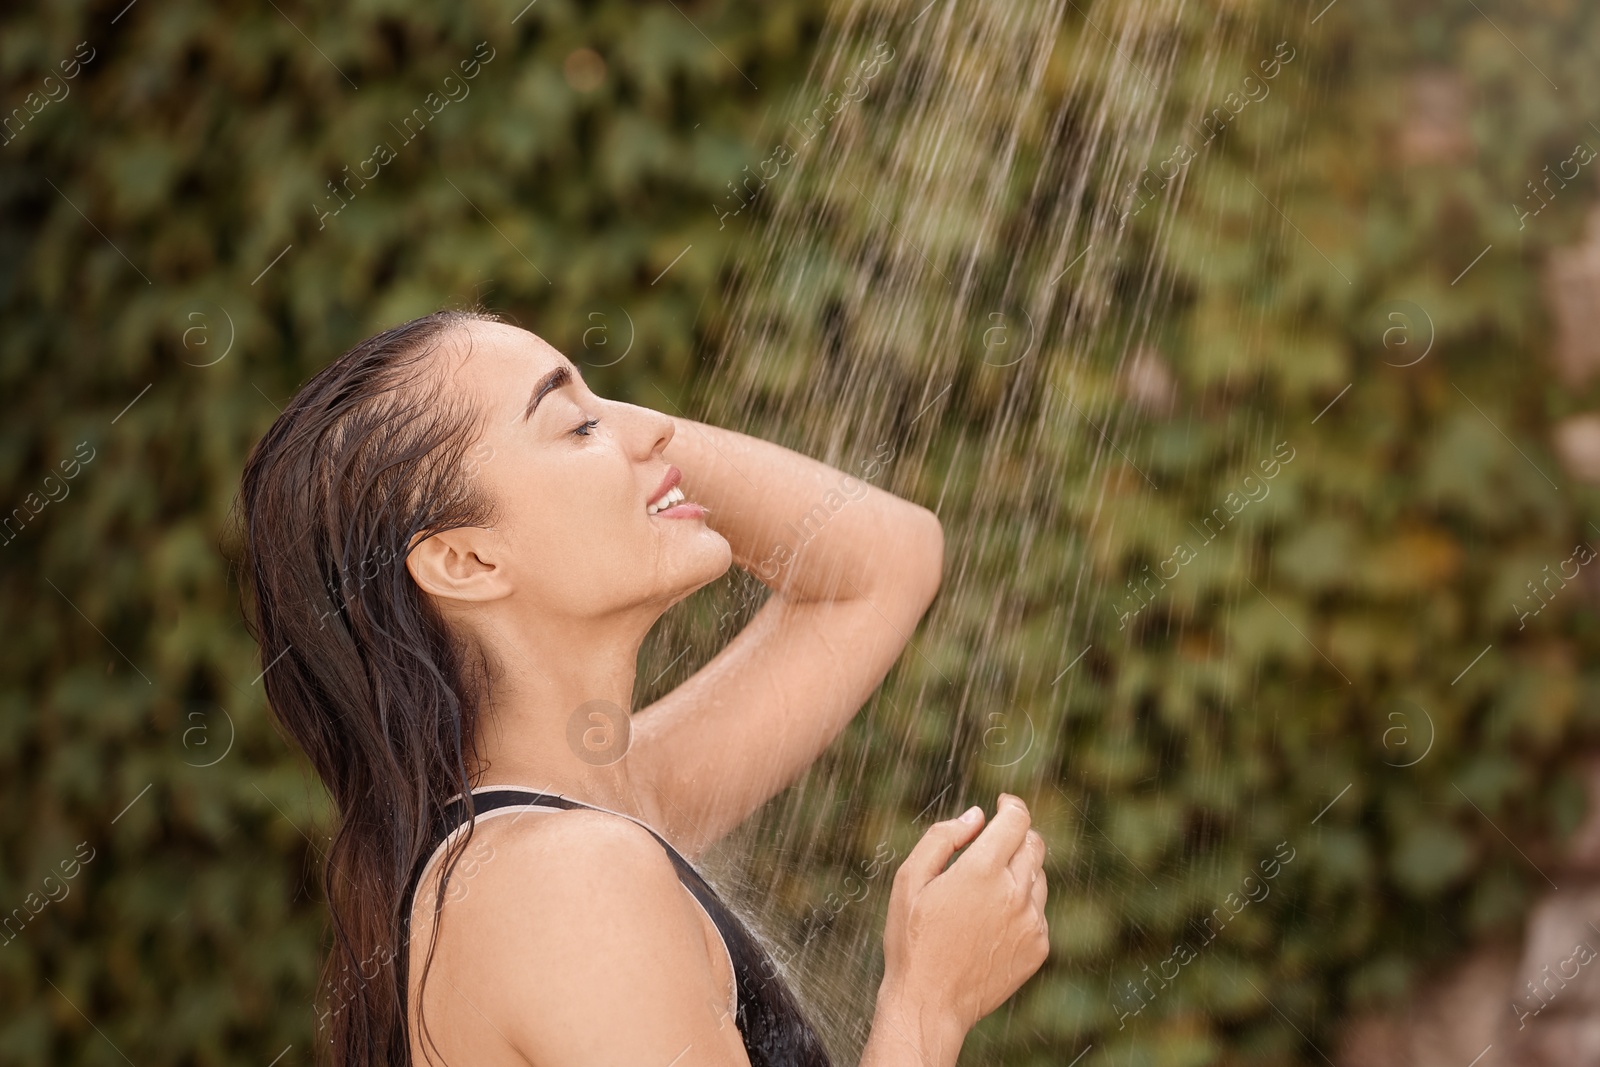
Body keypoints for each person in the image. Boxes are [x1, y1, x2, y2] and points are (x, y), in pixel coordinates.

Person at [235, 308, 1050, 1067]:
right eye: (578, 423)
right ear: (468, 561)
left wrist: (633, 456)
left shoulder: (598, 808)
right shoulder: (565, 882)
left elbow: (887, 560)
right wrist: (928, 1004)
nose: (655, 422)